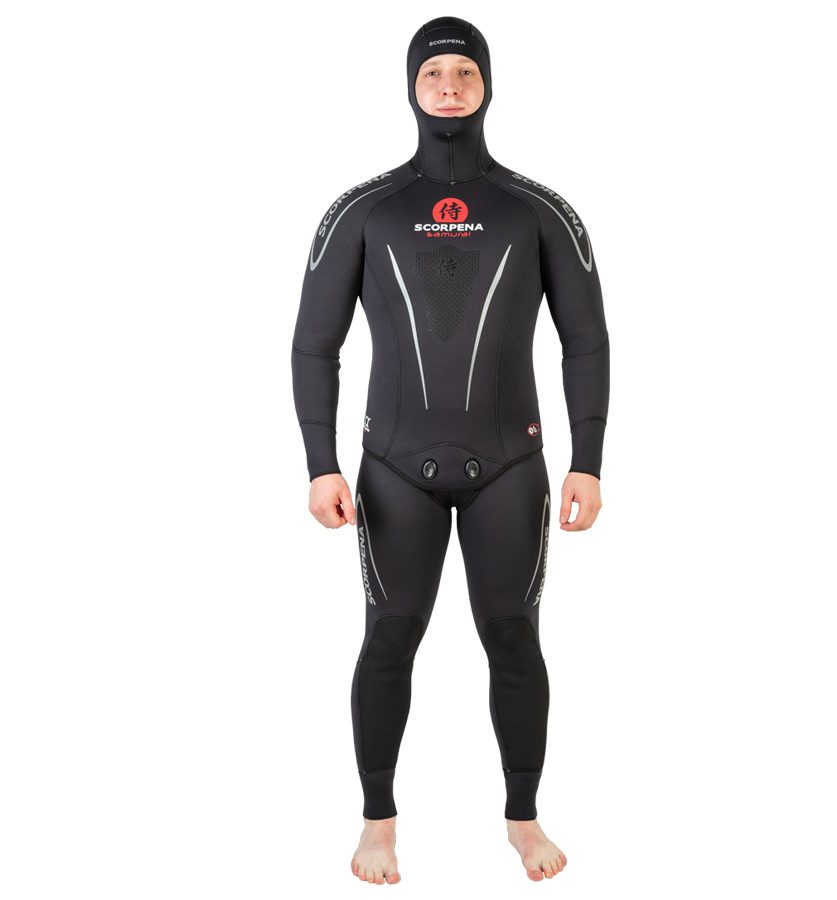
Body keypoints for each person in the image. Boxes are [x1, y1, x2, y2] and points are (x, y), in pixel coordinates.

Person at [291, 16, 609, 884]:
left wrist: (588, 461)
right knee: (389, 638)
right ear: (410, 85)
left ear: (488, 84)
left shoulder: (539, 210)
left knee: (514, 639)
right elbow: (314, 345)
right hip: (395, 467)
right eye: (434, 72)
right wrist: (320, 464)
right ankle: (378, 824)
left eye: (465, 71)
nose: (449, 86)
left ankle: (522, 819)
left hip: (511, 464)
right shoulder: (362, 210)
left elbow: (586, 341)